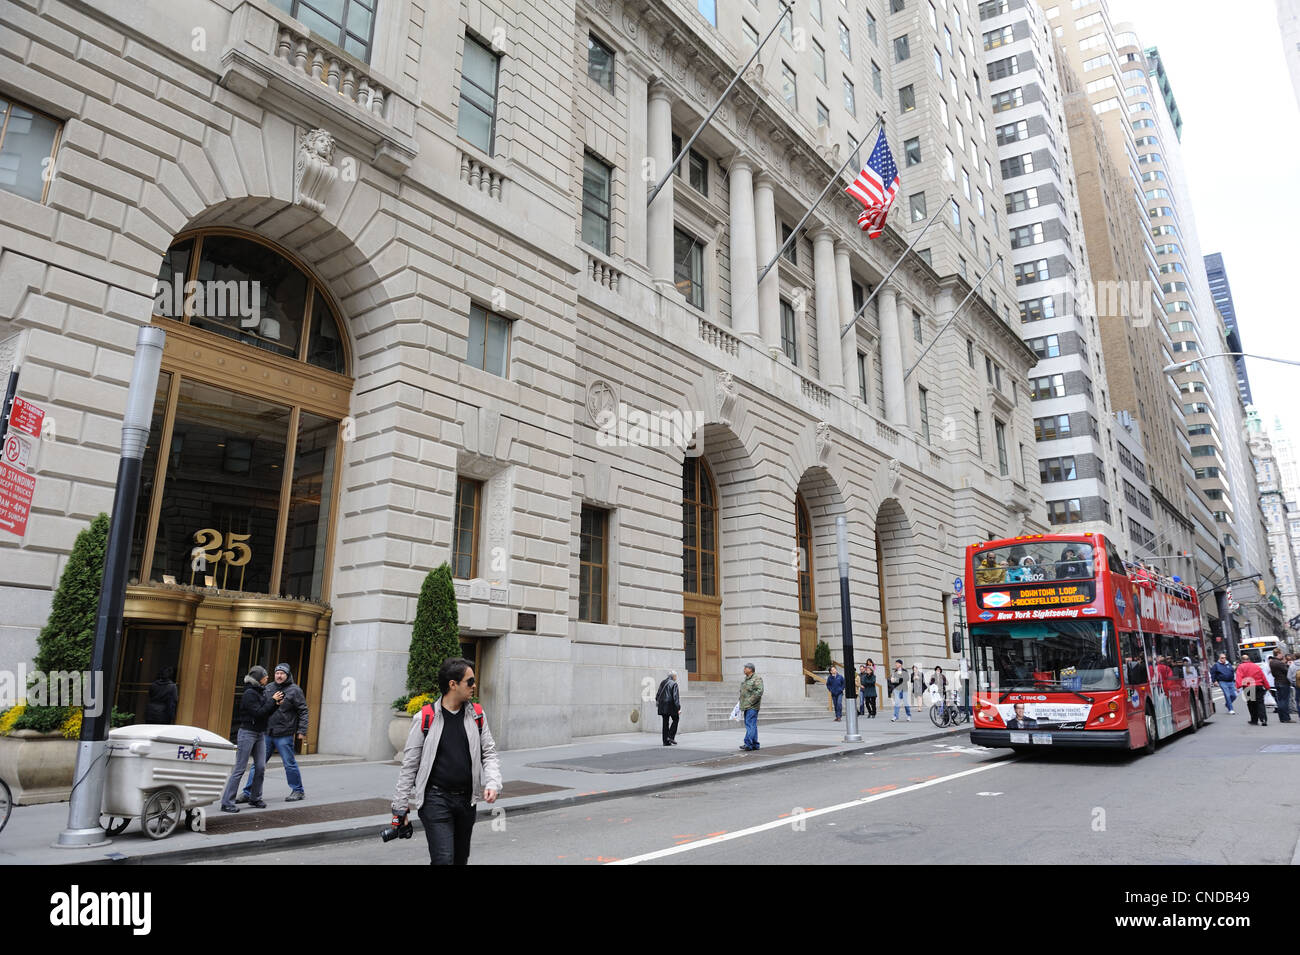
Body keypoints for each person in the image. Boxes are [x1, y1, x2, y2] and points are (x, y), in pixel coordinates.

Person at [391, 657, 501, 865]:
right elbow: (410, 765)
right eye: (470, 681)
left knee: (459, 860)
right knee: (443, 859)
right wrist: (400, 807)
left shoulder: (476, 714)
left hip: (466, 801)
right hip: (436, 800)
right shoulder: (425, 718)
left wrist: (493, 783)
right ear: (453, 684)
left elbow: (489, 752)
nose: (474, 685)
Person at [244, 663, 308, 802]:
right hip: (266, 732)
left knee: (289, 763)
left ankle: (298, 790)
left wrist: (302, 730)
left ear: (287, 675)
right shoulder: (268, 688)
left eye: (282, 673)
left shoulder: (295, 690)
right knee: (258, 764)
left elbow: (303, 710)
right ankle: (248, 792)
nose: (279, 676)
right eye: (277, 673)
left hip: (284, 733)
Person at [220, 666, 279, 812]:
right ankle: (227, 802)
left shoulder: (260, 691)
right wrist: (272, 701)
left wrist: (275, 705)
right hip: (247, 733)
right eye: (265, 676)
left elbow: (265, 712)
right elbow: (258, 713)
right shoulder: (249, 694)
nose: (267, 678)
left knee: (260, 767)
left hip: (259, 733)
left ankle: (255, 798)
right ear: (259, 678)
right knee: (240, 768)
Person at [1236, 655, 1269, 726]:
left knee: (1251, 704)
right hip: (1258, 686)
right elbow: (1262, 676)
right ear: (1249, 659)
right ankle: (1263, 719)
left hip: (1248, 687)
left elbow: (1239, 676)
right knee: (1260, 703)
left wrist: (1238, 686)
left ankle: (1254, 720)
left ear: (1242, 660)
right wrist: (1267, 686)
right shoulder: (1256, 666)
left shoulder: (1241, 667)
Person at [738, 663, 763, 751]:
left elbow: (759, 692)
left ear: (750, 669)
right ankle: (755, 744)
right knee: (752, 725)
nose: (744, 669)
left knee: (750, 724)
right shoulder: (746, 679)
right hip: (746, 706)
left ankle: (748, 743)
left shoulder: (757, 679)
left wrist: (750, 701)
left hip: (752, 706)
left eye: (745, 668)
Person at [655, 670, 681, 746]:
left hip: (662, 706)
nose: (676, 677)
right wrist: (678, 707)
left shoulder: (663, 682)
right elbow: (675, 697)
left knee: (665, 723)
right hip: (671, 705)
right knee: (676, 719)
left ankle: (665, 741)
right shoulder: (674, 684)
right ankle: (670, 736)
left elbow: (657, 695)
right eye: (676, 676)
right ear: (673, 676)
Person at [1269, 652, 1292, 723]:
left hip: (1277, 682)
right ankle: (1286, 718)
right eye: (1281, 654)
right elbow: (1287, 671)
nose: (1282, 655)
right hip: (1283, 682)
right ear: (1278, 654)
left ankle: (1281, 717)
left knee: (1280, 700)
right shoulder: (1279, 663)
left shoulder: (1272, 662)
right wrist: (1288, 665)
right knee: (1285, 701)